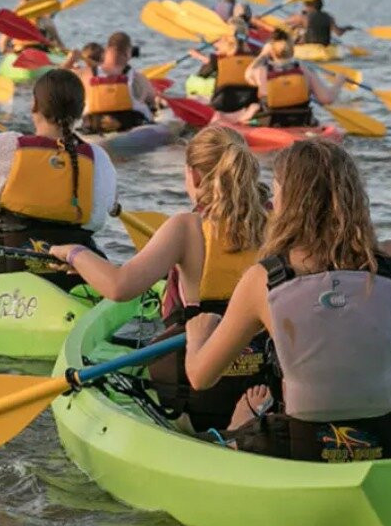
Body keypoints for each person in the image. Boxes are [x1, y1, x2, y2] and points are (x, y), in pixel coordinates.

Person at [185, 139, 391, 462]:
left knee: (235, 433)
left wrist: (197, 336)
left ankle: (240, 427)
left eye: (275, 192)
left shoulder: (262, 279)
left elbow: (201, 377)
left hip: (303, 447)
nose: (272, 203)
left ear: (289, 203)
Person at [49, 126, 270, 431]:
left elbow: (119, 286)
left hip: (200, 391)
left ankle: (204, 433)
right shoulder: (275, 227)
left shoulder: (186, 228)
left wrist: (75, 253)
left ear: (193, 176)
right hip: (261, 385)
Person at [0, 69, 117, 288]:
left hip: (12, 262)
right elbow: (99, 216)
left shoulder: (9, 146)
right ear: (81, 111)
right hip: (78, 268)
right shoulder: (98, 158)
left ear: (34, 106)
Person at [241, 31, 345, 127]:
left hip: (271, 122)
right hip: (302, 121)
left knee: (250, 111)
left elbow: (247, 75)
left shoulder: (262, 71)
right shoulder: (304, 70)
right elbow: (326, 99)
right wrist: (339, 82)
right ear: (292, 50)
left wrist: (263, 54)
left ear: (271, 52)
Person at [69, 31, 157, 134]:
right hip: (131, 127)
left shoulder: (85, 74)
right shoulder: (137, 78)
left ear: (106, 52)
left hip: (94, 128)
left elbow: (52, 80)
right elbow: (152, 100)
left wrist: (69, 61)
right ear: (128, 53)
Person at [189, 19, 259, 113]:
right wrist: (202, 57)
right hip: (248, 105)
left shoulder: (218, 58)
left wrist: (204, 58)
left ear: (225, 36)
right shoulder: (256, 58)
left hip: (222, 105)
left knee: (193, 94)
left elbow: (202, 75)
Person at [0, 0, 64, 53]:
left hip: (39, 53)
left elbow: (3, 48)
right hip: (21, 52)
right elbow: (3, 47)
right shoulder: (13, 22)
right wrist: (13, 53)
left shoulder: (45, 21)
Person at [287, 0, 352, 46]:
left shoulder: (303, 17)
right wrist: (347, 28)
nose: (304, 8)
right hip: (325, 47)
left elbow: (284, 23)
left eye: (305, 6)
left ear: (310, 6)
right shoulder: (329, 17)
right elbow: (339, 32)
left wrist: (294, 27)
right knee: (299, 29)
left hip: (308, 47)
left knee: (297, 31)